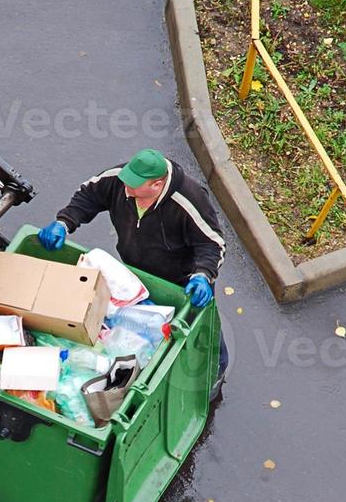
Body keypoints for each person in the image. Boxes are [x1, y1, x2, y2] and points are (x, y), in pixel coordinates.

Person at [39, 148, 229, 381]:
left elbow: (211, 244)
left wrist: (202, 275)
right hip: (136, 274)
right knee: (147, 328)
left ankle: (216, 369)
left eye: (134, 186)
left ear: (157, 185)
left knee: (203, 331)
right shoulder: (120, 180)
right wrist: (64, 222)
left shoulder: (188, 200)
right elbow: (89, 196)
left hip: (182, 282)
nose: (126, 189)